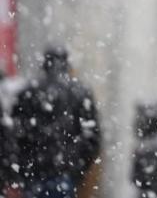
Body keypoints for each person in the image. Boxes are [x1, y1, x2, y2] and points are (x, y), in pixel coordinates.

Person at [12, 47, 100, 198]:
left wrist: (23, 167)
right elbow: (92, 138)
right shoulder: (80, 92)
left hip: (34, 174)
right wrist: (77, 169)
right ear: (67, 63)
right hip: (64, 173)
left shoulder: (28, 91)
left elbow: (17, 133)